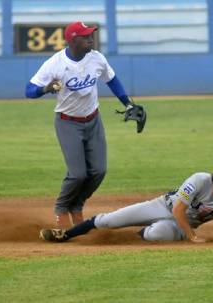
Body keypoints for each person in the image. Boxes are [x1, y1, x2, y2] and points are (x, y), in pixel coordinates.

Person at [25, 21, 145, 228]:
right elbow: (29, 90)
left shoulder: (96, 58)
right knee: (78, 174)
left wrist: (127, 104)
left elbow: (112, 80)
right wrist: (45, 89)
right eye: (85, 36)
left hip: (93, 120)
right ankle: (62, 208)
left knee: (99, 170)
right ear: (73, 40)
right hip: (67, 122)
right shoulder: (55, 64)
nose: (91, 38)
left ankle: (77, 206)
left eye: (91, 35)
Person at [39, 161, 213, 243]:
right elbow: (178, 209)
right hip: (163, 206)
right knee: (110, 220)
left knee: (160, 235)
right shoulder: (199, 180)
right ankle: (66, 235)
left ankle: (134, 236)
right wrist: (192, 236)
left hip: (174, 226)